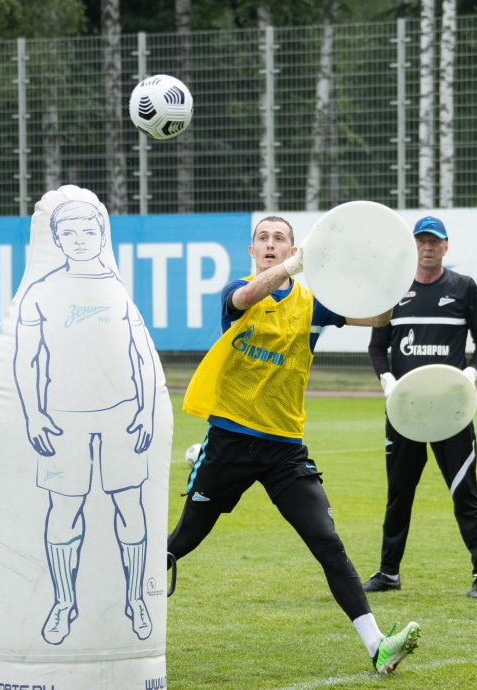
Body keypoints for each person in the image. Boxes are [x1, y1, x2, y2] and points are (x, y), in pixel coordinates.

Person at [168, 216, 421, 674]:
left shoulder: (313, 303)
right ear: (252, 251)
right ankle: (115, 593)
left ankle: (378, 646)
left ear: (292, 249)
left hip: (285, 449)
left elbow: (377, 315)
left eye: (279, 239)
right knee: (185, 539)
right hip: (230, 441)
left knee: (327, 542)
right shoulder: (238, 290)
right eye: (262, 239)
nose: (269, 244)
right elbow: (248, 297)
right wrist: (298, 265)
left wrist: (389, 280)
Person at [13, 199, 159, 644]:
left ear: (102, 236)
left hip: (121, 416)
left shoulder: (118, 290)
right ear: (57, 240)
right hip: (63, 422)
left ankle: (136, 599)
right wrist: (34, 412)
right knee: (64, 509)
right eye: (70, 234)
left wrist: (146, 410)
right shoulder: (41, 290)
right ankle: (63, 603)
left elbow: (142, 356)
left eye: (88, 232)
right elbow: (26, 358)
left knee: (130, 507)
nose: (80, 241)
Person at [363, 215, 477, 599]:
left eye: (434, 241)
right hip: (404, 413)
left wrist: (470, 374)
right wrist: (386, 379)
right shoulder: (393, 289)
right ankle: (389, 573)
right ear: (413, 246)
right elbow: (377, 346)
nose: (427, 247)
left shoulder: (463, 288)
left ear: (446, 246)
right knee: (399, 493)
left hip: (451, 413)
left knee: (464, 492)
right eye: (421, 241)